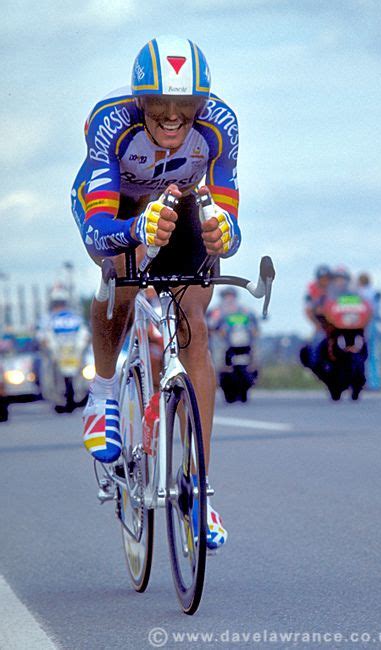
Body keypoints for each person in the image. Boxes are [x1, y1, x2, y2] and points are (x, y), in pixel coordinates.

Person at [71, 35, 242, 550]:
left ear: (202, 105)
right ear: (140, 101)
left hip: (180, 201)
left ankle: (198, 491)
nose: (172, 116)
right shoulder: (110, 122)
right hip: (116, 209)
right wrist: (134, 232)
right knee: (120, 282)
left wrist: (226, 233)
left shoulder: (221, 127)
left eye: (185, 107)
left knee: (195, 319)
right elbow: (98, 230)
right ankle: (103, 397)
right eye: (160, 106)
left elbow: (229, 207)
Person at [357, 273, 381, 390]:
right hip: (372, 323)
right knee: (373, 353)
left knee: (362, 353)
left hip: (362, 323)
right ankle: (375, 383)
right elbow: (377, 309)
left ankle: (365, 381)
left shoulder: (359, 293)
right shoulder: (373, 292)